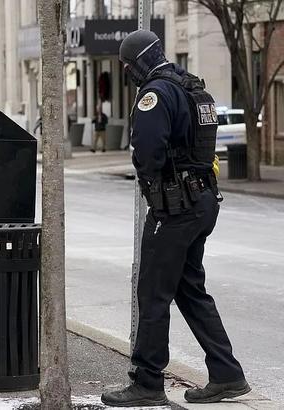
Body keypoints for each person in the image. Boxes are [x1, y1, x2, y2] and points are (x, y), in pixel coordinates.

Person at [101, 30, 250, 407]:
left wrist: (154, 187)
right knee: (189, 289)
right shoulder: (192, 86)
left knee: (152, 293)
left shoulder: (156, 93)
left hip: (175, 207)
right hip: (201, 201)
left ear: (140, 61)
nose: (128, 72)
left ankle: (147, 383)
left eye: (128, 65)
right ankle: (227, 374)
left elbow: (148, 150)